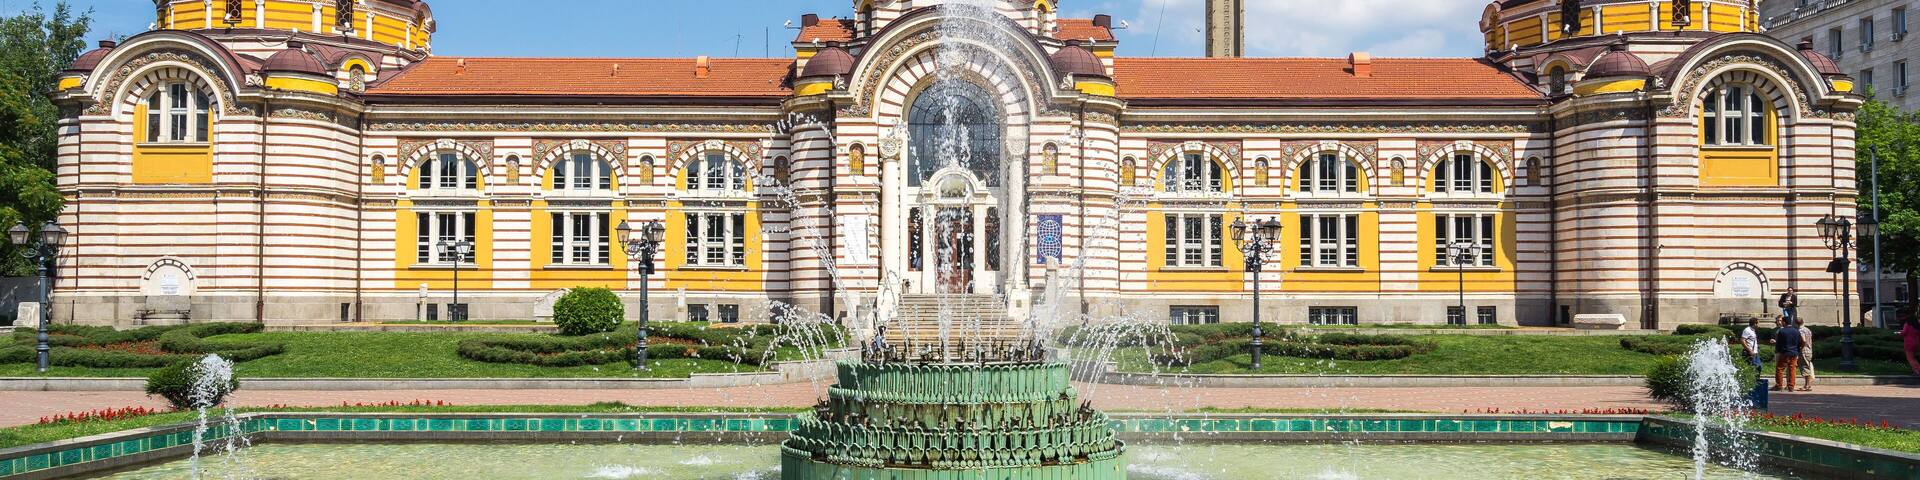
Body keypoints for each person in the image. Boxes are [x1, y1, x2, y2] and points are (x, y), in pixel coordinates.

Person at [1768, 316, 1803, 392]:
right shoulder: (1796, 331)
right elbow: (1801, 342)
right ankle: (1791, 386)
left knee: (1780, 369)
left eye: (1782, 322)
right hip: (1794, 353)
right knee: (1792, 369)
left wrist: (1779, 351)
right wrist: (1798, 350)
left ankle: (1779, 385)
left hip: (1784, 352)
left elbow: (1779, 343)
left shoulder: (1782, 331)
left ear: (1784, 322)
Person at [1795, 317, 1815, 391]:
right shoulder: (1808, 330)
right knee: (1807, 366)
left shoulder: (1801, 330)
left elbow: (1803, 340)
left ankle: (1807, 385)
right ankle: (1807, 385)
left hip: (1804, 350)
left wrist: (1801, 347)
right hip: (1809, 350)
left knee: (1804, 367)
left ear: (1796, 323)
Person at [1900, 309, 1920, 375]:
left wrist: (1899, 333)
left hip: (1909, 343)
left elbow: (1904, 333)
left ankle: (1917, 370)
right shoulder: (1917, 326)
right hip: (1916, 343)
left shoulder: (1907, 324)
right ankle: (1915, 370)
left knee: (1910, 358)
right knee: (1914, 357)